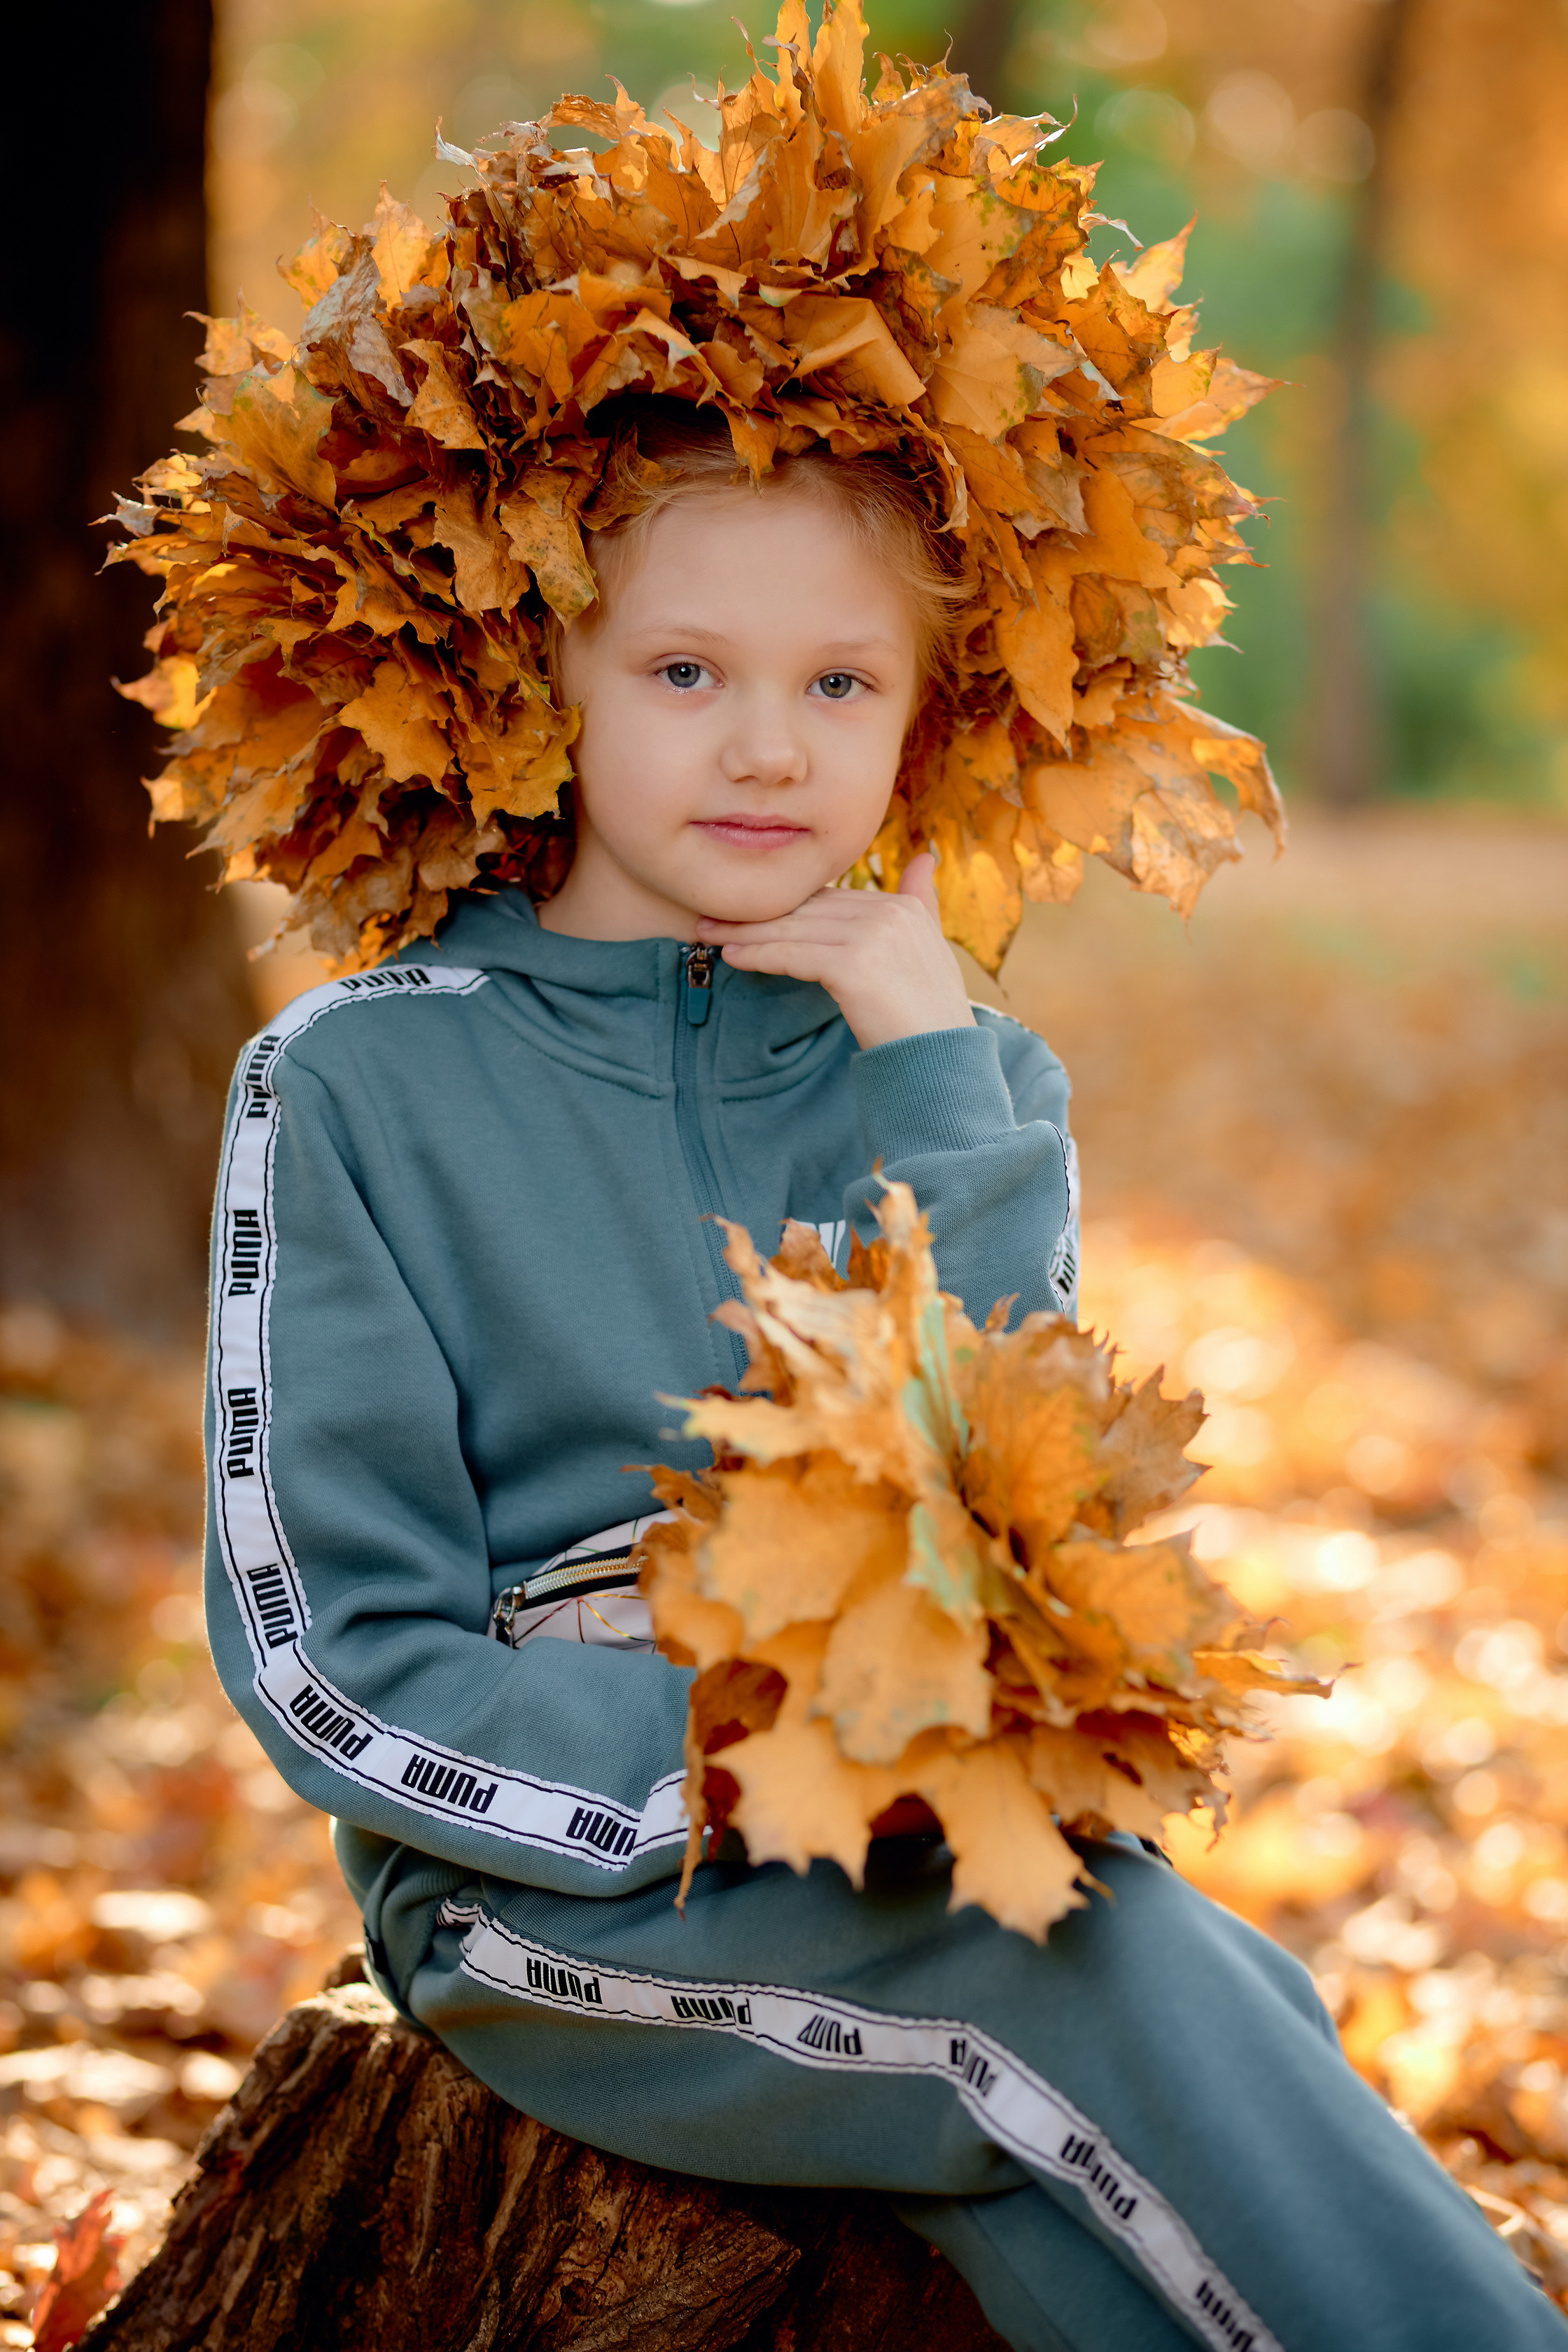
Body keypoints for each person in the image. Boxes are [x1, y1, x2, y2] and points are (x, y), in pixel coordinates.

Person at [200, 408, 1564, 2351]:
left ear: (925, 714)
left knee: (1190, 2008)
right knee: (1091, 2001)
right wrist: (747, 1770)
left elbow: (1024, 1534)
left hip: (929, 1841)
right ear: (538, 677)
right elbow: (328, 1652)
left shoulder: (962, 1075)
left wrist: (926, 1075)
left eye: (840, 682)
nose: (770, 746)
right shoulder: (356, 1080)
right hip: (543, 1898)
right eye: (687, 673)